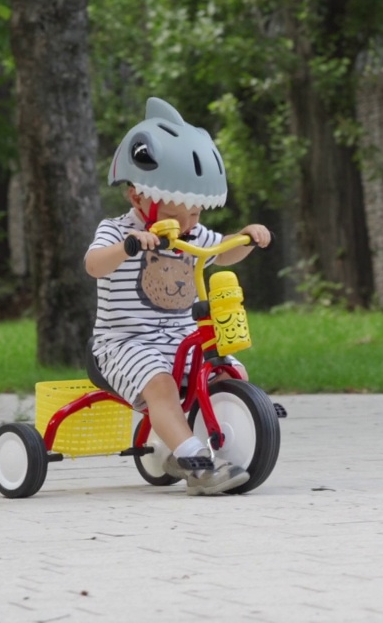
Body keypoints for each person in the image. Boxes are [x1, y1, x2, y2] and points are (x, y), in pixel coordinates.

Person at [84, 97, 271, 495]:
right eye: (185, 212)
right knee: (161, 385)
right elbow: (94, 265)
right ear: (140, 198)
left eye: (198, 213)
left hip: (178, 336)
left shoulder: (192, 234)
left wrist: (247, 239)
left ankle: (208, 438)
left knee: (230, 369)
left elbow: (224, 252)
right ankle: (195, 462)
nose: (192, 223)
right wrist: (128, 248)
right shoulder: (118, 231)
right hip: (123, 343)